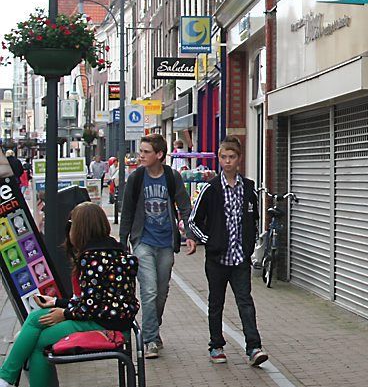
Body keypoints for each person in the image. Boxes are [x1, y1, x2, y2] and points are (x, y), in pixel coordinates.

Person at [0, 201, 139, 387]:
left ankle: (6, 377)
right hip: (114, 320)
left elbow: (91, 306)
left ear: (79, 230)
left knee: (39, 340)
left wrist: (63, 313)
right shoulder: (116, 252)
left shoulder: (91, 259)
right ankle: (6, 377)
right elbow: (98, 300)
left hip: (104, 325)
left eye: (70, 225)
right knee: (36, 320)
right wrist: (58, 302)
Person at [188, 136, 266, 366]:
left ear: (239, 159)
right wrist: (209, 242)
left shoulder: (249, 189)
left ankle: (253, 347)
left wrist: (249, 244)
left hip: (240, 257)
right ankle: (216, 345)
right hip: (217, 257)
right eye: (223, 157)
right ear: (219, 159)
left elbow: (254, 219)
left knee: (245, 302)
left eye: (232, 157)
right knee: (216, 302)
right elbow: (193, 221)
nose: (228, 161)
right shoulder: (210, 189)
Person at [118, 134, 194, 359]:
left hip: (166, 243)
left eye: (146, 152)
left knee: (161, 293)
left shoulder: (172, 177)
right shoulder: (136, 178)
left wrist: (189, 234)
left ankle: (153, 328)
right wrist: (123, 243)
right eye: (140, 151)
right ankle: (149, 339)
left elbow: (184, 206)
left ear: (159, 154)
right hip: (143, 241)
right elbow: (128, 211)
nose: (141, 156)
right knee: (149, 290)